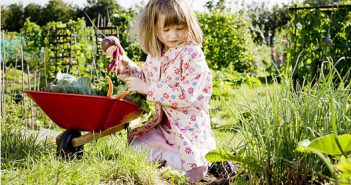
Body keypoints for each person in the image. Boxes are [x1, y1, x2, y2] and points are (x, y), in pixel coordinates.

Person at [105, 0, 216, 183]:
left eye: (180, 28)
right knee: (136, 147)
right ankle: (165, 162)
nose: (174, 35)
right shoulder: (156, 54)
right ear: (154, 29)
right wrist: (124, 63)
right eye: (166, 30)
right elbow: (145, 78)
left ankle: (193, 163)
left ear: (188, 25)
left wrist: (148, 89)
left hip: (187, 127)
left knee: (186, 164)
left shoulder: (193, 54)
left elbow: (186, 95)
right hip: (164, 126)